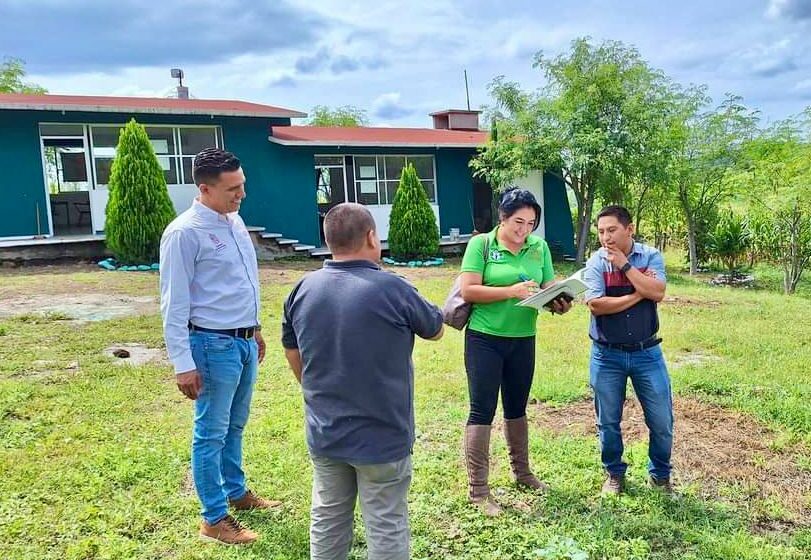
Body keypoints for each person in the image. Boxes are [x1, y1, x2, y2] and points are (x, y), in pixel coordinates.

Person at [281, 203, 444, 560]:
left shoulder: (302, 290)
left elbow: (293, 352)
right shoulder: (393, 288)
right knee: (386, 521)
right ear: (372, 237)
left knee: (327, 515)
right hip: (383, 434)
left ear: (328, 241)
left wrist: (315, 391)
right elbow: (435, 328)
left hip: (326, 430)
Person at [159, 148, 280, 546]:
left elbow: (244, 281)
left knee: (236, 425)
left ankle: (237, 492)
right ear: (204, 188)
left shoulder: (236, 221)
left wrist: (256, 328)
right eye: (232, 188)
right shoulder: (184, 233)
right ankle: (214, 517)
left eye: (242, 184)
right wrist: (182, 362)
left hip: (243, 341)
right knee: (210, 432)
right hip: (211, 345)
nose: (241, 193)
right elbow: (173, 303)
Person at [459, 187, 572, 516]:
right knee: (482, 410)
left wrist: (559, 300)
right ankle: (478, 489)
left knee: (517, 407)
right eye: (518, 222)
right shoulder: (481, 245)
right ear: (503, 218)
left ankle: (522, 473)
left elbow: (548, 285)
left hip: (524, 337)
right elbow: (469, 290)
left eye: (531, 223)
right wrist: (511, 291)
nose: (525, 230)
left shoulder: (539, 248)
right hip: (485, 338)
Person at [582, 205, 674, 496]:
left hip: (647, 353)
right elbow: (596, 304)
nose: (605, 237)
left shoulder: (650, 256)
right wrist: (639, 291)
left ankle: (660, 475)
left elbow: (658, 292)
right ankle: (614, 474)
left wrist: (625, 266)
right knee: (607, 421)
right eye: (601, 231)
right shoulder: (595, 262)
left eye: (612, 230)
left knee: (661, 420)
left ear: (629, 229)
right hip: (606, 355)